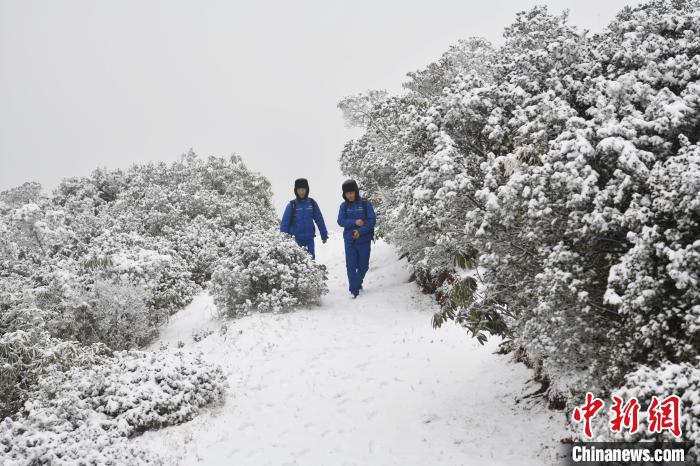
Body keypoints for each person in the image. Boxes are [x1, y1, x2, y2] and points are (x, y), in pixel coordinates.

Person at [337, 179, 376, 298]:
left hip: (364, 239)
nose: (350, 195)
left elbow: (372, 221)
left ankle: (357, 283)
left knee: (363, 266)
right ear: (344, 194)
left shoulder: (365, 204)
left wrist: (360, 231)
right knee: (351, 265)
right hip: (349, 240)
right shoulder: (343, 206)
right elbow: (340, 221)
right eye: (347, 193)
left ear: (356, 191)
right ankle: (354, 289)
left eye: (351, 192)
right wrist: (354, 222)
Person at [280, 178, 328, 260]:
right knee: (298, 264)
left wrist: (324, 235)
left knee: (311, 263)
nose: (301, 192)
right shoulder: (292, 205)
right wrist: (283, 240)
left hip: (309, 240)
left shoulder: (312, 203)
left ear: (307, 190)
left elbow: (319, 219)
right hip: (295, 241)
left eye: (303, 189)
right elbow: (284, 224)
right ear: (296, 190)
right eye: (299, 190)